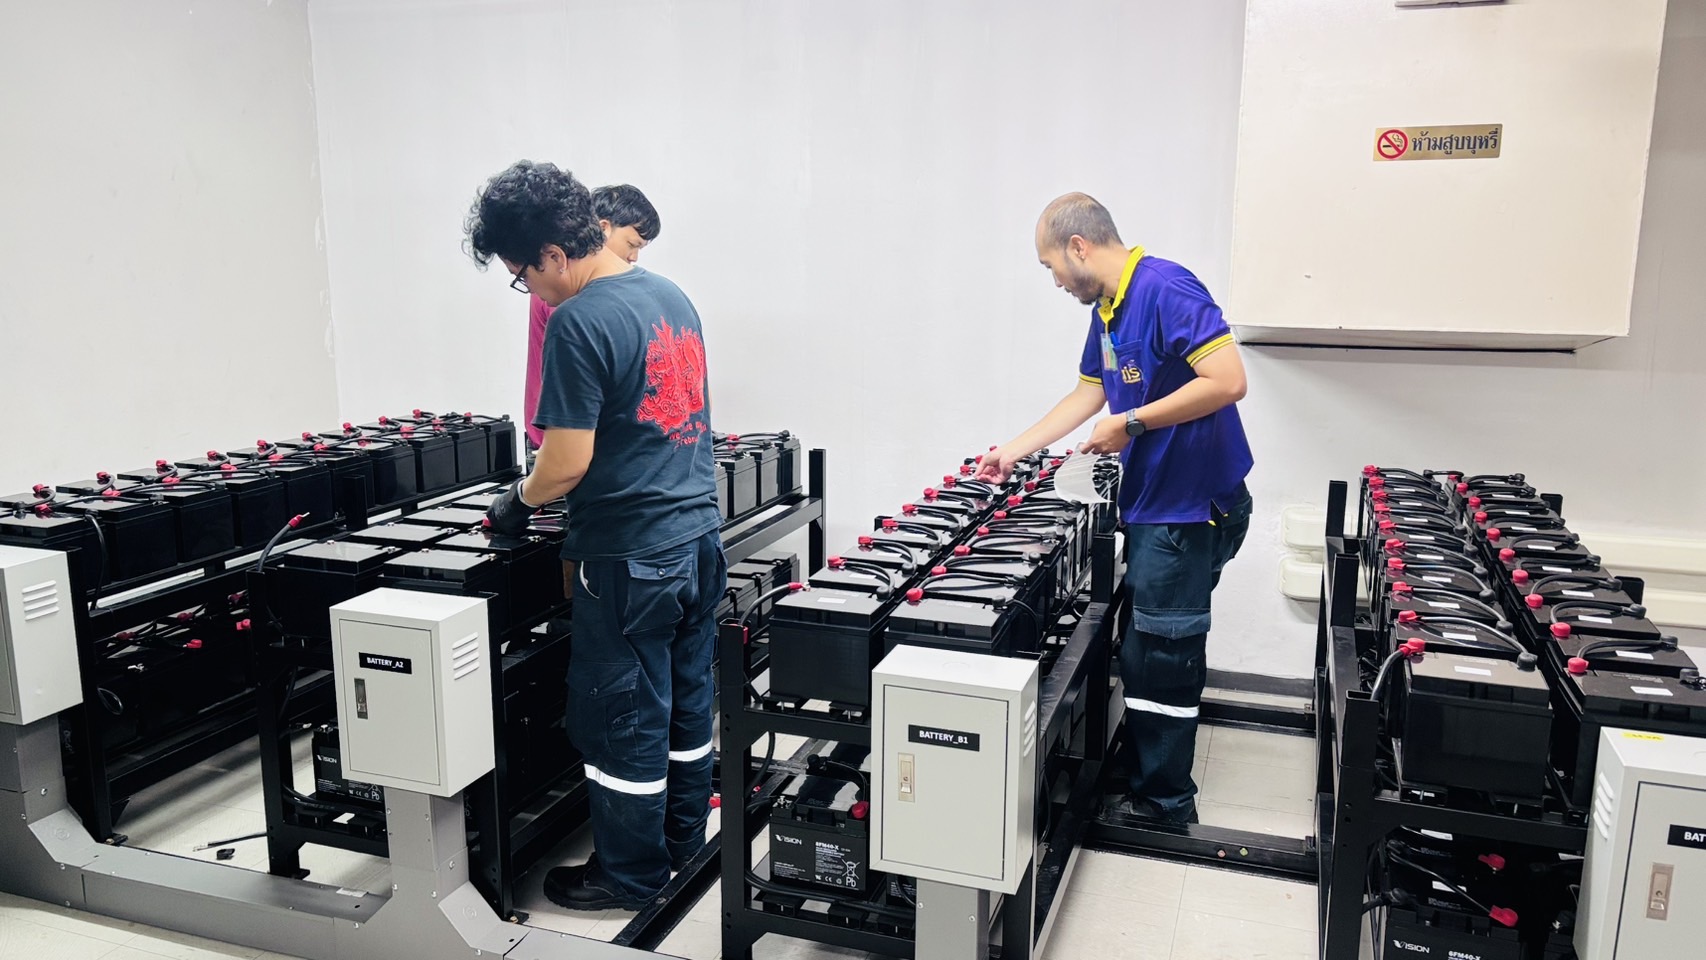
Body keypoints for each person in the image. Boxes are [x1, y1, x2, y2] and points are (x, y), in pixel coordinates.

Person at [466, 161, 723, 909]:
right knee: (685, 700)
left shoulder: (578, 321)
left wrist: (515, 501)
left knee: (622, 717)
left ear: (552, 254)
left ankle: (630, 874)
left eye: (523, 276)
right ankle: (683, 841)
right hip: (697, 538)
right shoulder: (671, 296)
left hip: (628, 556)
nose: (531, 291)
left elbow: (566, 463)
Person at [976, 192, 1253, 825]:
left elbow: (1228, 381)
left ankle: (1165, 802)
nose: (1053, 280)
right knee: (1146, 643)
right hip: (1158, 501)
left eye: (1050, 264)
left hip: (1188, 507)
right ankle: (1147, 765)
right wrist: (1013, 450)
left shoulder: (1165, 288)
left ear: (1078, 247)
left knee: (1160, 653)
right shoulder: (1109, 308)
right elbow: (1089, 393)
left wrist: (1131, 423)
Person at [524, 184, 663, 459]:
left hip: (575, 437)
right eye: (632, 244)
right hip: (562, 441)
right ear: (603, 228)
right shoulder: (569, 291)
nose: (634, 258)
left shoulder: (589, 289)